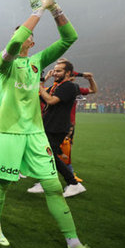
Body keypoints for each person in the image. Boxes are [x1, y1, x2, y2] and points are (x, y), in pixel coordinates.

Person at [0, 0, 112, 248]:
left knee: (54, 186)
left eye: (27, 35)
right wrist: (37, 11)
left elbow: (70, 37)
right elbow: (14, 43)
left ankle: (75, 245)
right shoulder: (2, 64)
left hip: (35, 133)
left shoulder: (37, 61)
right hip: (9, 133)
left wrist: (54, 7)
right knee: (3, 183)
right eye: (20, 33)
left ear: (32, 43)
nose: (22, 36)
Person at [37, 60, 87, 197]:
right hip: (50, 125)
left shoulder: (69, 86)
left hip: (57, 127)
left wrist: (40, 86)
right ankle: (47, 182)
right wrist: (41, 83)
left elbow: (51, 100)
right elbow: (43, 97)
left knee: (50, 155)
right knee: (47, 155)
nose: (55, 73)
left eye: (59, 71)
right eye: (54, 70)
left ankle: (73, 183)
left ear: (68, 73)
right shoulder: (58, 86)